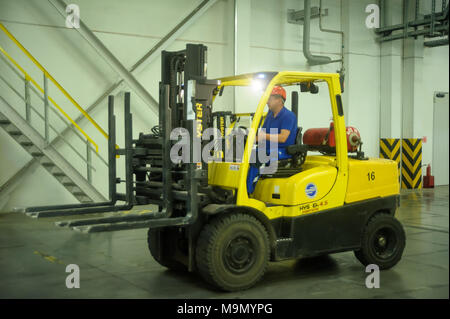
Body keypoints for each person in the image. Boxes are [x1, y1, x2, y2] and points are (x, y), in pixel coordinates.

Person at [247, 86, 298, 193]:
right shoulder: (270, 115)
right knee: (245, 154)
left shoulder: (288, 116)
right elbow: (262, 134)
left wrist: (263, 137)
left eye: (269, 99)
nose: (266, 102)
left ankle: (248, 191)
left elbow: (283, 138)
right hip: (268, 148)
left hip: (282, 150)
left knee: (255, 157)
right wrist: (249, 139)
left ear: (279, 100)